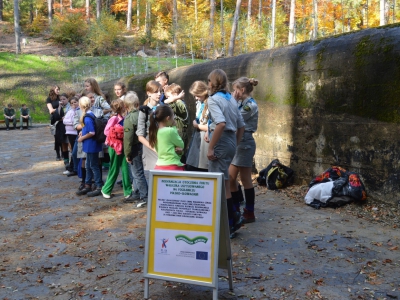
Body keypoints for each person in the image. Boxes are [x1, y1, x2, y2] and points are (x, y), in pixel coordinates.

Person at [206, 69, 245, 238]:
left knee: (218, 184)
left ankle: (231, 221)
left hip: (221, 142)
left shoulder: (213, 99)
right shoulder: (231, 99)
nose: (208, 84)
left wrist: (210, 147)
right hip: (230, 141)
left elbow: (220, 124)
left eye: (209, 81)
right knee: (224, 182)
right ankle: (232, 218)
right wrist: (234, 143)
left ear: (212, 82)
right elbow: (241, 125)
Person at [229, 77, 259, 224]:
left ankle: (249, 212)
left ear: (242, 90)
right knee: (230, 178)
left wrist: (232, 103)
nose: (233, 93)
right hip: (238, 142)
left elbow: (235, 117)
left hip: (245, 142)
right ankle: (236, 209)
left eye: (235, 89)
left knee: (245, 178)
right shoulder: (242, 103)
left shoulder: (250, 105)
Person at [101, 99, 133, 200]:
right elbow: (106, 131)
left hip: (122, 145)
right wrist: (117, 131)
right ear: (122, 107)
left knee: (125, 167)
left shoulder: (123, 117)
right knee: (114, 168)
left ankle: (128, 191)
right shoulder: (114, 118)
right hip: (114, 146)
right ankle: (106, 189)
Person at [123, 92, 148, 205]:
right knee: (136, 172)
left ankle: (145, 195)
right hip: (140, 145)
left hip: (133, 147)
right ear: (137, 104)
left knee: (137, 173)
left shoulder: (129, 118)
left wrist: (127, 154)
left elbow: (128, 138)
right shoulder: (141, 114)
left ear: (126, 106)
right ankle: (137, 192)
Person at [76, 96, 103, 197]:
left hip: (91, 145)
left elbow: (92, 132)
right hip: (90, 145)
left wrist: (82, 138)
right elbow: (87, 129)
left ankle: (98, 185)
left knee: (93, 165)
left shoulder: (87, 117)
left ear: (81, 105)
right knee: (88, 165)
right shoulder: (90, 115)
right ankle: (88, 184)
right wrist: (82, 133)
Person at [149, 105, 185, 171]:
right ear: (168, 118)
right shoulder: (170, 131)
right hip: (172, 166)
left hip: (159, 166)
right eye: (173, 116)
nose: (174, 119)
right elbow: (181, 144)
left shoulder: (155, 131)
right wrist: (174, 127)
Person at [136, 80, 162, 171]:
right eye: (156, 92)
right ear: (148, 93)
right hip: (150, 147)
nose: (159, 94)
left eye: (160, 91)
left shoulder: (164, 108)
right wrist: (154, 149)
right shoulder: (144, 111)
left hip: (163, 146)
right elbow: (140, 136)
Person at [185, 81, 209, 172]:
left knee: (202, 167)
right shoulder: (199, 102)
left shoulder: (210, 103)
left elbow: (212, 126)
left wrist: (197, 125)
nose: (196, 98)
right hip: (197, 135)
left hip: (205, 138)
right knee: (191, 165)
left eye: (197, 95)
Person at [163, 83, 190, 153]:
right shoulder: (177, 102)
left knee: (179, 155)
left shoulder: (179, 103)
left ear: (175, 95)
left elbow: (166, 102)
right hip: (178, 132)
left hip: (180, 133)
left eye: (169, 96)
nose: (168, 98)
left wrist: (176, 98)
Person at [62, 97, 79, 176]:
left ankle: (73, 167)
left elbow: (74, 121)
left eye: (75, 102)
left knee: (74, 150)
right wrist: (71, 122)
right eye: (71, 103)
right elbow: (65, 121)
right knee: (72, 149)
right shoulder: (69, 111)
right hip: (69, 132)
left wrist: (71, 121)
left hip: (75, 132)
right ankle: (72, 167)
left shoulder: (78, 111)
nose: (73, 104)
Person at [46, 85, 62, 160]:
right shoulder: (49, 99)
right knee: (57, 138)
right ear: (53, 90)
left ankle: (63, 153)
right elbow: (51, 110)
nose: (58, 91)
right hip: (55, 120)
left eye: (59, 89)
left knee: (63, 137)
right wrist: (58, 108)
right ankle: (58, 154)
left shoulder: (61, 97)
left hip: (63, 119)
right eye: (57, 89)